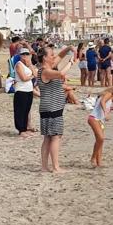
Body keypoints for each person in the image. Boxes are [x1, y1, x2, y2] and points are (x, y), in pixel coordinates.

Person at [37, 45, 76, 173]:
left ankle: (44, 167)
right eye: (51, 55)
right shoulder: (45, 71)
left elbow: (60, 55)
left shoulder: (48, 67)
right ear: (44, 58)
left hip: (49, 107)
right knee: (55, 136)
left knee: (48, 137)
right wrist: (71, 62)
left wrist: (70, 48)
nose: (54, 57)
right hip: (51, 108)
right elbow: (60, 74)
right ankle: (55, 167)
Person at [88, 87, 113, 168]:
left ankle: (99, 162)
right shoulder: (109, 94)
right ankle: (93, 158)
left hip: (100, 120)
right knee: (101, 139)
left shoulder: (108, 98)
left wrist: (110, 109)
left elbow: (104, 104)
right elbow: (102, 102)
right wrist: (106, 113)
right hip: (94, 118)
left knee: (100, 141)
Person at [13, 47, 37, 138]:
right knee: (20, 111)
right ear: (20, 55)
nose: (25, 56)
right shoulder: (19, 65)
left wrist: (30, 64)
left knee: (26, 110)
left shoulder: (28, 65)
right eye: (23, 54)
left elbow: (35, 74)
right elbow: (23, 78)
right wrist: (31, 76)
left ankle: (25, 128)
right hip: (21, 90)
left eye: (27, 54)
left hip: (29, 90)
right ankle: (21, 130)